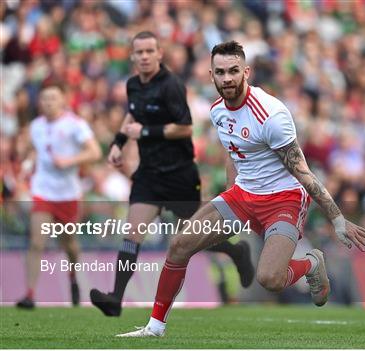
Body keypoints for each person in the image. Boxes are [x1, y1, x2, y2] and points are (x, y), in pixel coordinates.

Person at [116, 41, 365, 337]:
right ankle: (155, 327)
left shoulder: (271, 115)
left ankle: (312, 263)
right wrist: (228, 197)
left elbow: (303, 172)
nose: (227, 78)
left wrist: (337, 218)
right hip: (242, 196)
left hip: (283, 199)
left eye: (233, 71)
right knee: (178, 245)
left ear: (246, 72)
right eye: (220, 72)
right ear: (211, 75)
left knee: (270, 278)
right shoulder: (217, 111)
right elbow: (232, 151)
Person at [90, 32, 254, 317]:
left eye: (149, 51)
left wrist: (145, 132)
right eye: (138, 52)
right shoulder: (132, 86)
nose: (144, 56)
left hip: (179, 174)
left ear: (159, 54)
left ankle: (235, 252)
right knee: (132, 235)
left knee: (192, 237)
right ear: (132, 56)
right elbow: (132, 115)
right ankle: (115, 298)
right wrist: (118, 143)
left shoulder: (171, 86)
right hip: (149, 176)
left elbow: (185, 128)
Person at [16, 83, 102, 309]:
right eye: (44, 98)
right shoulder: (36, 126)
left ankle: (73, 278)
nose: (48, 102)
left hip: (67, 194)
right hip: (43, 191)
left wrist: (69, 161)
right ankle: (30, 294)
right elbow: (38, 149)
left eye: (53, 98)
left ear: (63, 100)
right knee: (37, 242)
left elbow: (94, 152)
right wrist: (29, 161)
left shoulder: (75, 125)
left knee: (70, 245)